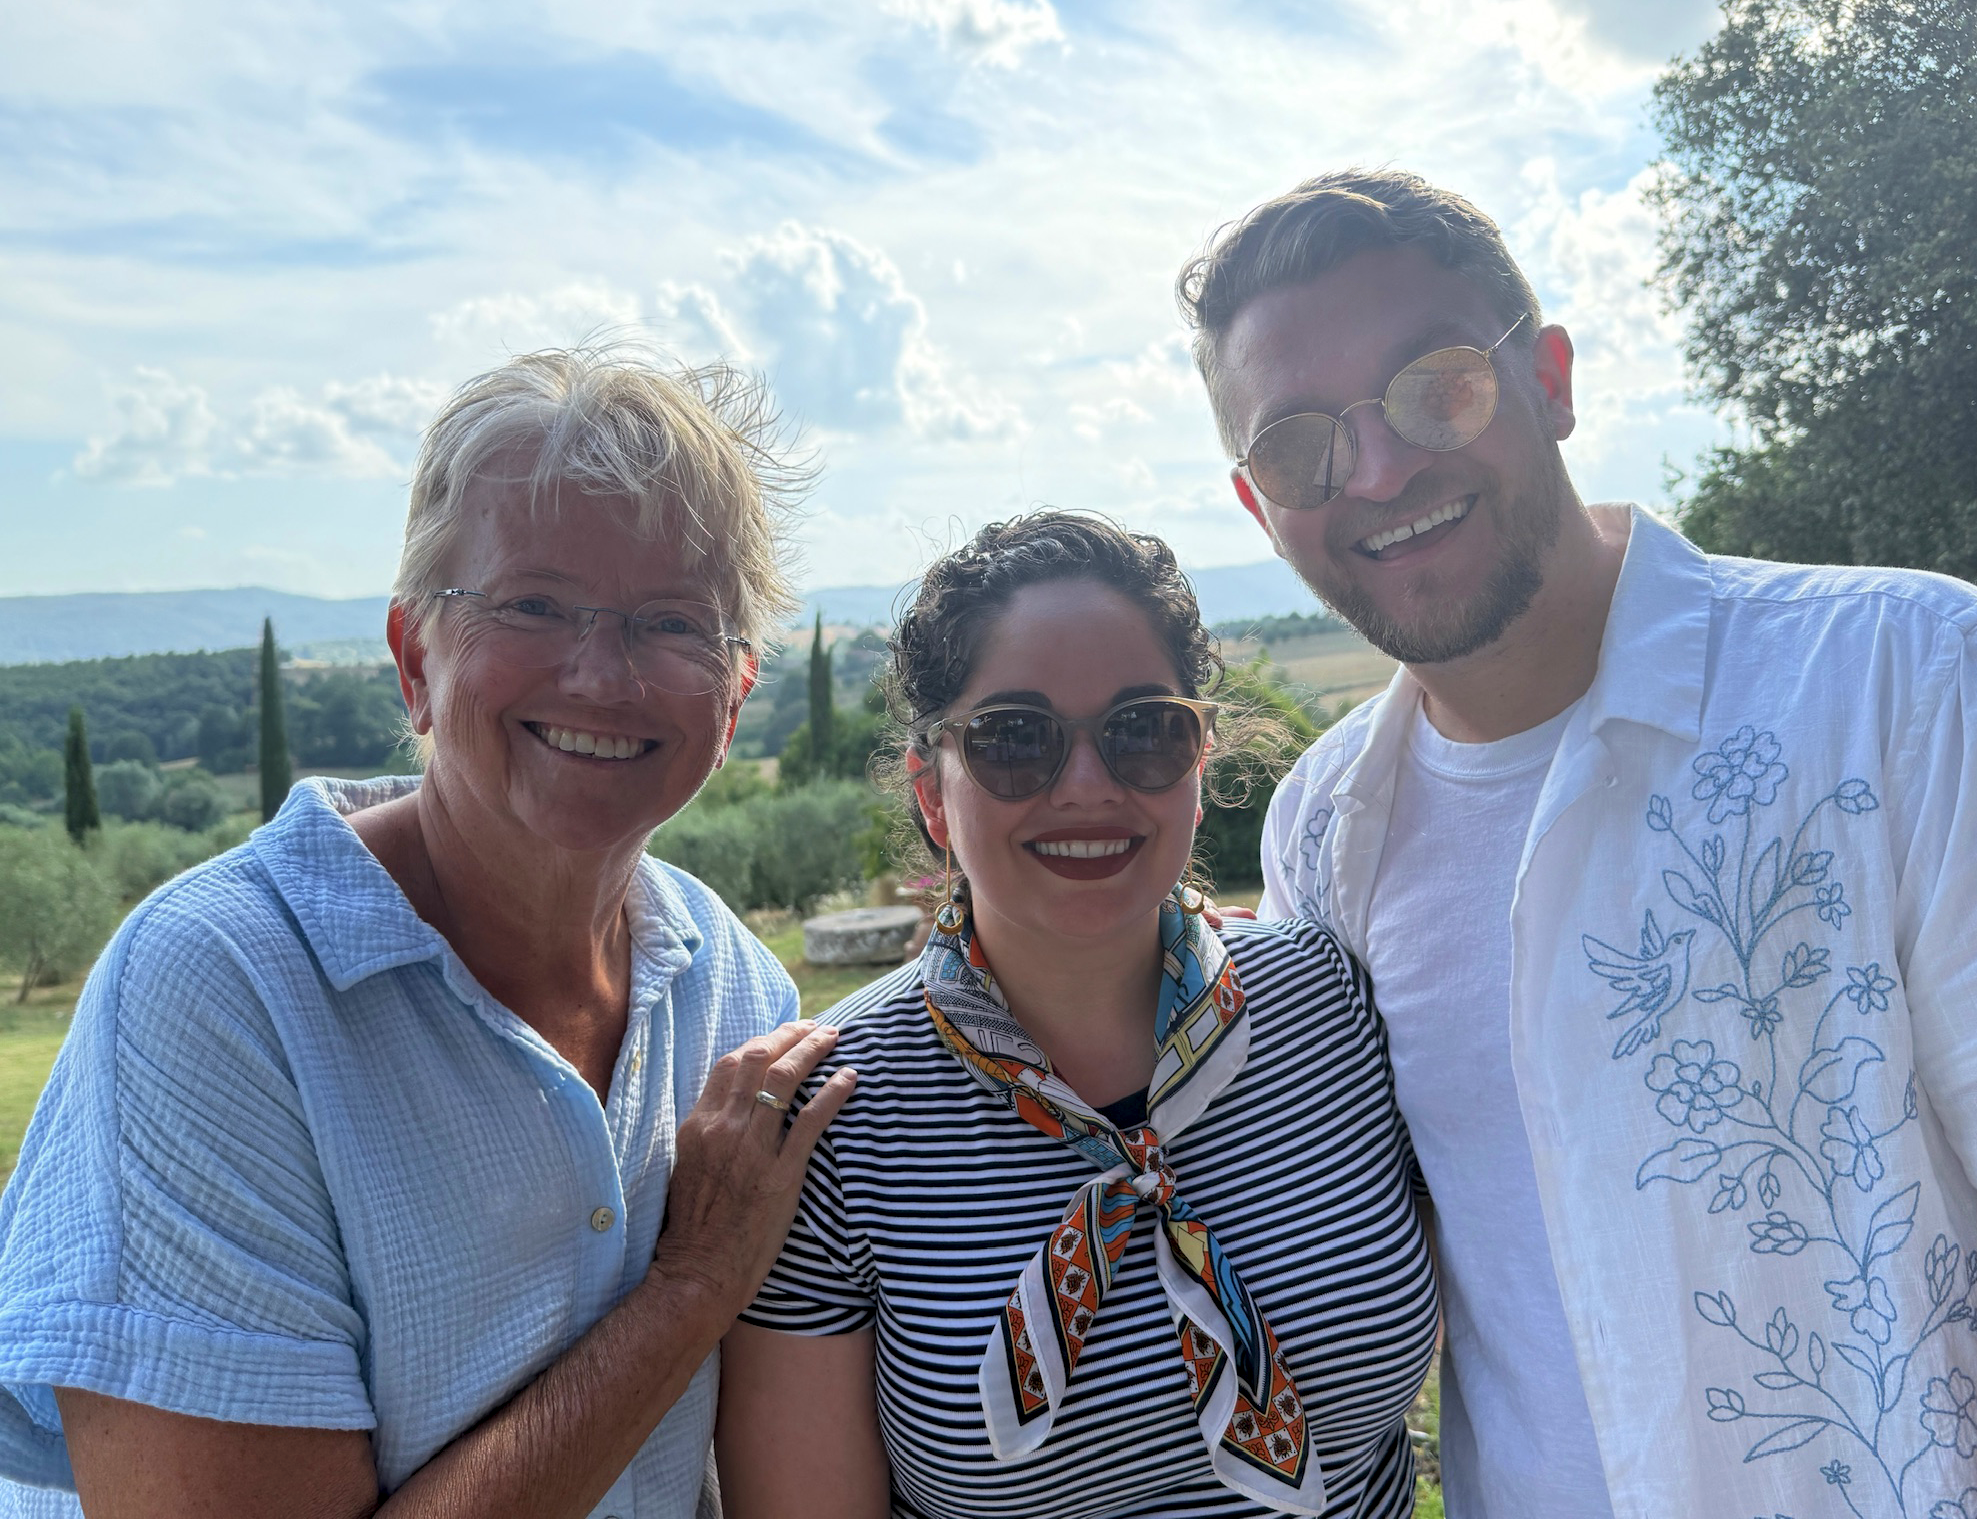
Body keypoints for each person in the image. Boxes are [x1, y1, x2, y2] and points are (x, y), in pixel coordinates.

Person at [1177, 167, 1977, 1519]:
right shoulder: (1328, 829)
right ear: (1257, 505)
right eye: (1302, 446)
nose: (1386, 468)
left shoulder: (1923, 685)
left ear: (1554, 381)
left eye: (1436, 386)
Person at [0, 347, 857, 1519]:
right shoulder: (217, 987)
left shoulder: (736, 990)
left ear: (736, 692)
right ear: (414, 660)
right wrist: (691, 1284)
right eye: (533, 605)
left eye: (672, 622)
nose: (601, 676)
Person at [714, 512, 1439, 1519]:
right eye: (1015, 740)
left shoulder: (1327, 1003)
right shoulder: (836, 1122)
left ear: (1197, 755)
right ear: (932, 791)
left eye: (1143, 729)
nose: (1088, 787)